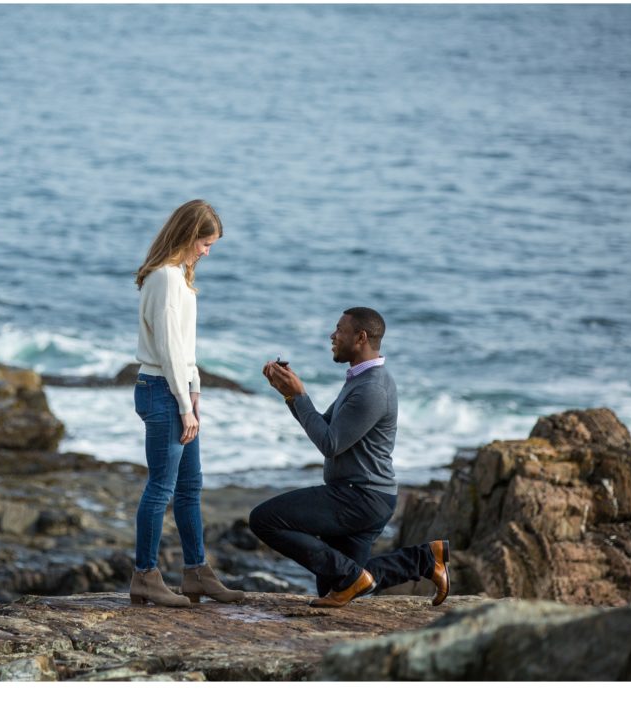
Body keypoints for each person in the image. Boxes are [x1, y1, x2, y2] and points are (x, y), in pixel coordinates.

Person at [250, 307, 450, 607]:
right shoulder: (360, 379)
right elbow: (325, 425)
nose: (332, 336)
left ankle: (372, 571)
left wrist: (299, 396)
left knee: (263, 519)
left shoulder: (372, 388)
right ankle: (424, 559)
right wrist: (290, 394)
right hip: (363, 495)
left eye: (339, 330)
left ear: (361, 337)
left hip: (359, 497)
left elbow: (330, 444)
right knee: (339, 585)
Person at [128, 200, 245, 607]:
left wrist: (194, 392)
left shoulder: (179, 277)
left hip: (175, 389)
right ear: (187, 235)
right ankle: (144, 575)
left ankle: (196, 572)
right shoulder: (164, 279)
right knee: (161, 487)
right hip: (161, 390)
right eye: (205, 243)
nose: (206, 252)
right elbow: (167, 347)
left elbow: (184, 348)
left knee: (190, 486)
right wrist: (182, 401)